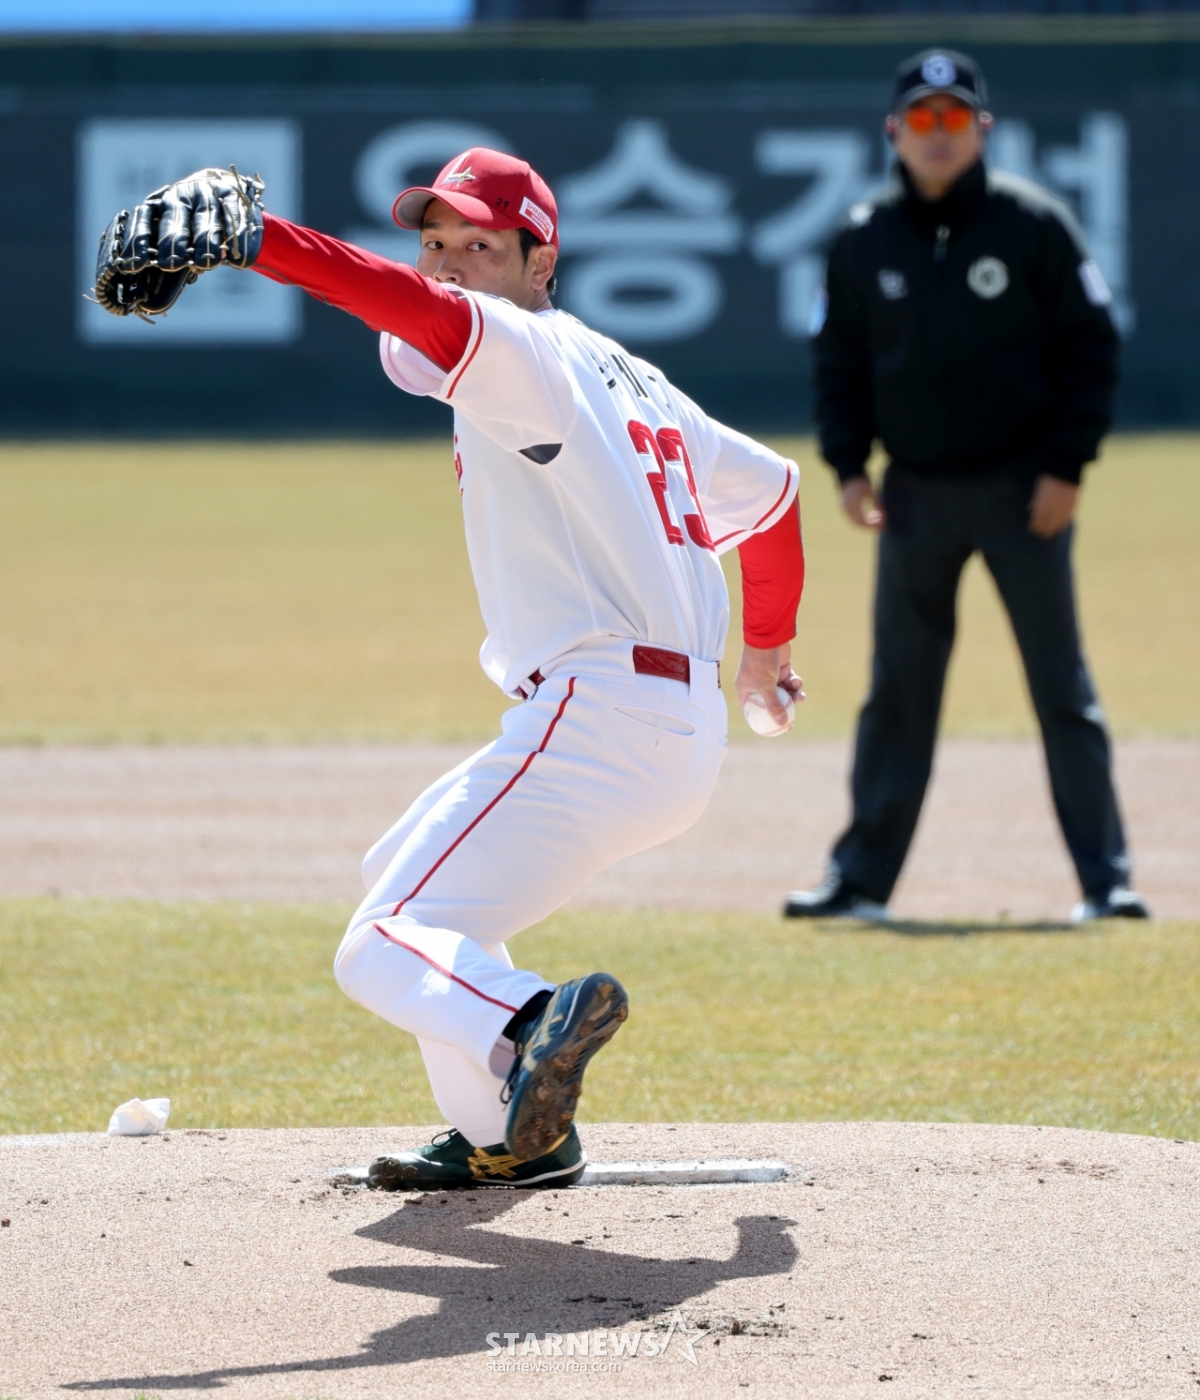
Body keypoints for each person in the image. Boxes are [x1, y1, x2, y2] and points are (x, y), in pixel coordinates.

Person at [101, 149, 805, 1188]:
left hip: (599, 710)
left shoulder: (523, 348)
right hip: (662, 725)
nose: (449, 262)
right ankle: (511, 1136)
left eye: (480, 243)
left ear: (539, 259)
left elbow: (408, 311)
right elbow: (777, 495)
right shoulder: (630, 376)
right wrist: (765, 652)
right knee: (407, 887)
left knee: (379, 941)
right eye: (435, 241)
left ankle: (527, 1028)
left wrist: (261, 242)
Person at [785, 49, 1149, 926]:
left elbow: (1091, 352)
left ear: (982, 129)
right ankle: (861, 881)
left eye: (954, 120)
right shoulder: (863, 238)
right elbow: (839, 362)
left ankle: (1108, 882)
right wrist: (846, 465)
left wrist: (1068, 467)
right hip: (913, 495)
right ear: (894, 132)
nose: (937, 136)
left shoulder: (1035, 226)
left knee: (1061, 687)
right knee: (899, 691)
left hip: (1026, 492)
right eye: (922, 120)